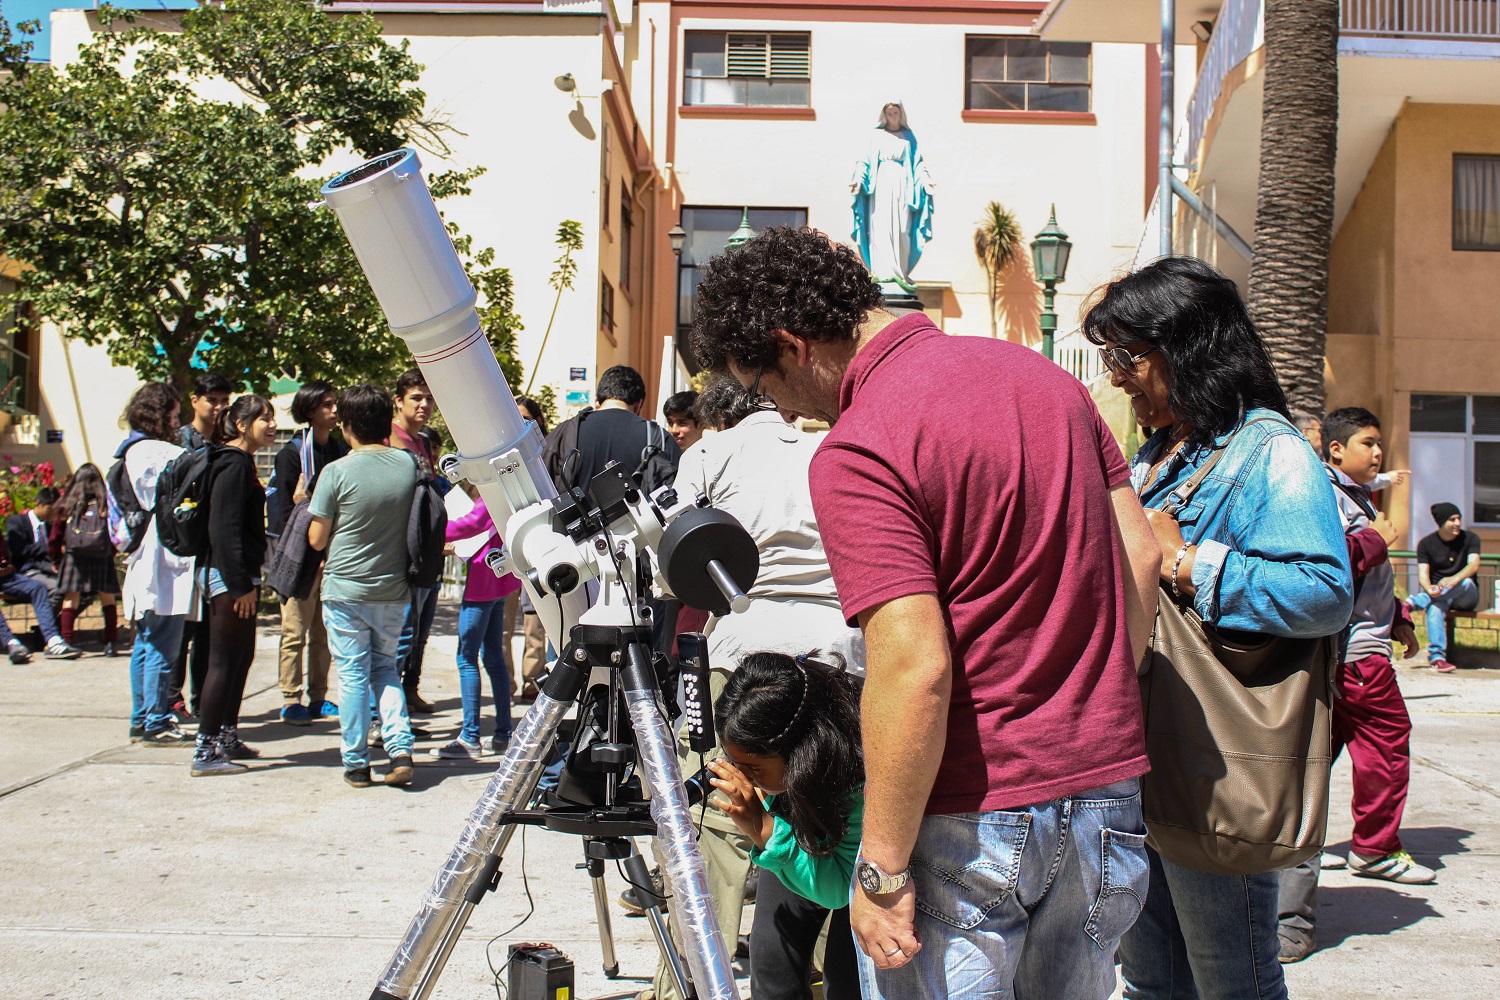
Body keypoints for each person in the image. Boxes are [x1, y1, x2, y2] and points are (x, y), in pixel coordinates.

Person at [690, 226, 1162, 999]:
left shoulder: (859, 445)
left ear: (791, 344)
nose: (782, 410)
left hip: (973, 812)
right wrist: (1091, 701)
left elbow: (914, 665)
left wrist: (878, 871)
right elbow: (1138, 557)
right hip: (1102, 800)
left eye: (768, 388)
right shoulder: (1047, 381)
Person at [1083, 256, 1353, 1000]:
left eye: (1128, 356)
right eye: (1110, 357)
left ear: (1190, 345)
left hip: (1216, 763)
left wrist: (1187, 563)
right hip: (1149, 758)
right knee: (1150, 979)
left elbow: (1325, 591)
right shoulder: (1161, 452)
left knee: (1232, 980)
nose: (1116, 376)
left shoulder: (1270, 451)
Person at [644, 376, 863, 1000]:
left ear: (716, 417)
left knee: (724, 816)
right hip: (842, 653)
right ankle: (822, 968)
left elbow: (670, 559)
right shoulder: (828, 449)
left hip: (744, 646)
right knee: (832, 803)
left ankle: (693, 978)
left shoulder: (712, 455)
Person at [1278, 407, 1433, 962]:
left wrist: (1398, 624)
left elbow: (1370, 592)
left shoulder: (1355, 494)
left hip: (1355, 651)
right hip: (1352, 660)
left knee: (1311, 773)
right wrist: (1375, 541)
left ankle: (1309, 893)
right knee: (1386, 745)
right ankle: (1371, 848)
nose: (1378, 454)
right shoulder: (1326, 497)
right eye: (1368, 442)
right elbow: (1322, 570)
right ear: (1335, 450)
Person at [708, 651, 863, 1000]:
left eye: (754, 768)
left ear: (801, 752)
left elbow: (839, 889)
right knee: (772, 960)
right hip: (801, 823)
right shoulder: (784, 770)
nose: (744, 777)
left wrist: (764, 829)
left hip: (871, 865)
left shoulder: (859, 774)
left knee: (847, 976)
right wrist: (768, 807)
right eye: (735, 762)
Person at [308, 384, 418, 789]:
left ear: (347, 425)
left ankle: (356, 763)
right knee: (386, 668)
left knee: (353, 675)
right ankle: (400, 748)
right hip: (392, 589)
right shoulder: (407, 465)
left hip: (345, 590)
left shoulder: (335, 471)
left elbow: (317, 539)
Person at [189, 395, 276, 777]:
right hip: (228, 576)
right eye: (264, 419)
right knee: (223, 661)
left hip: (235, 575)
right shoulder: (233, 464)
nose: (271, 425)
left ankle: (226, 735)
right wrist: (240, 584)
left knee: (240, 658)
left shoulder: (240, 463)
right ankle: (205, 750)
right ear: (241, 424)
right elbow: (222, 529)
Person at [116, 382, 196, 743]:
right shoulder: (165, 453)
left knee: (145, 641)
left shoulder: (129, 451)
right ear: (161, 416)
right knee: (164, 642)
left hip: (144, 554)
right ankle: (155, 721)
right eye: (175, 415)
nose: (179, 423)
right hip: (165, 555)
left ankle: (141, 717)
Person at [267, 380, 348, 725]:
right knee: (294, 631)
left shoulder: (340, 450)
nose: (334, 411)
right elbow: (284, 512)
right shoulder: (292, 454)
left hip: (329, 557)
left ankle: (318, 696)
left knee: (323, 633)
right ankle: (290, 698)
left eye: (335, 404)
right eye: (327, 405)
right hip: (300, 557)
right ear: (310, 409)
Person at [431, 484, 519, 760]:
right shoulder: (507, 489)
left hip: (482, 581)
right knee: (493, 658)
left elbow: (474, 522)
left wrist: (432, 531)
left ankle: (470, 737)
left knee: (466, 657)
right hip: (500, 580)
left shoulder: (492, 488)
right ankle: (503, 733)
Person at [541, 365, 682, 496]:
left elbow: (540, 482)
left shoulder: (563, 432)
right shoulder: (659, 439)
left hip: (573, 522)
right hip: (643, 522)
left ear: (597, 401)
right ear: (639, 404)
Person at [388, 368, 439, 713]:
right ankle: (386, 715)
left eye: (429, 398)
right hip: (400, 556)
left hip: (427, 554)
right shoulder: (388, 439)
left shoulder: (422, 442)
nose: (424, 405)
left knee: (417, 634)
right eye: (416, 398)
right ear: (398, 401)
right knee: (400, 637)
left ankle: (407, 696)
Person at [850, 100, 934, 295]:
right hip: (881, 187)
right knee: (881, 227)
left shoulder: (908, 136)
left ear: (901, 113)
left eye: (895, 112)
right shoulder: (876, 135)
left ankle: (900, 273)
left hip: (904, 187)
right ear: (884, 114)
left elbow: (918, 163)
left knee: (903, 229)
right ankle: (882, 272)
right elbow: (864, 162)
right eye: (889, 112)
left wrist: (925, 181)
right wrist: (858, 180)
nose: (892, 116)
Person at [53, 465, 121, 655]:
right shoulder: (105, 504)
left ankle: (67, 641)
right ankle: (110, 643)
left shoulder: (69, 503)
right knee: (107, 598)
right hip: (101, 554)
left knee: (71, 598)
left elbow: (55, 535)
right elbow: (116, 531)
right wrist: (110, 551)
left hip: (75, 556)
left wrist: (56, 558)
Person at [508, 396, 550, 699]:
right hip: (511, 550)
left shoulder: (544, 453)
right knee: (519, 624)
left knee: (541, 623)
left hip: (544, 546)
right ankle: (517, 681)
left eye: (524, 418)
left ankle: (535, 682)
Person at [1407, 501, 1482, 673]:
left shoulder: (1470, 539)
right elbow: (1423, 575)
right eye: (1452, 520)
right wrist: (1429, 589)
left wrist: (1453, 579)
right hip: (1439, 595)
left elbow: (1473, 566)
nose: (1457, 523)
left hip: (1466, 595)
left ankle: (1415, 602)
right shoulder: (1426, 544)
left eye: (1458, 519)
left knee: (1466, 582)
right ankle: (1437, 658)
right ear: (1441, 523)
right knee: (1434, 608)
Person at [7, 486, 62, 615]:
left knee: (82, 590)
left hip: (50, 569)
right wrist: (48, 548)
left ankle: (53, 626)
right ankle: (48, 629)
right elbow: (19, 550)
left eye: (55, 510)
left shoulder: (50, 527)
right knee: (58, 589)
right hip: (27, 571)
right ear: (38, 503)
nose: (52, 514)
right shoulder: (17, 522)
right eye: (49, 509)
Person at [179, 372, 232, 452]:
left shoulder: (231, 440)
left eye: (224, 401)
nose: (219, 407)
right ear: (195, 402)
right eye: (212, 401)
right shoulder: (179, 439)